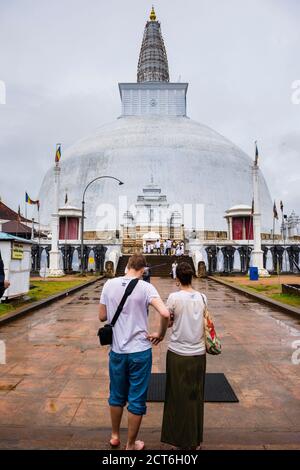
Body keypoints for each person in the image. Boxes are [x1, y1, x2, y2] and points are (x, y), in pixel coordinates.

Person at [99, 254, 170, 451]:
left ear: (127, 266)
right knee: (136, 398)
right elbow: (164, 313)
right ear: (144, 270)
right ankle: (131, 444)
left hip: (117, 350)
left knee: (116, 394)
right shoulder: (146, 287)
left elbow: (102, 316)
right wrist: (160, 334)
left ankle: (114, 436)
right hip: (140, 350)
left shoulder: (109, 284)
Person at [161, 262, 207, 450]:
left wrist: (160, 333)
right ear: (192, 276)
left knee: (176, 397)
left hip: (178, 352)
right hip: (198, 353)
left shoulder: (173, 298)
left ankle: (178, 440)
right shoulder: (203, 297)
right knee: (196, 396)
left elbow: (168, 321)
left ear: (177, 278)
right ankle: (194, 441)